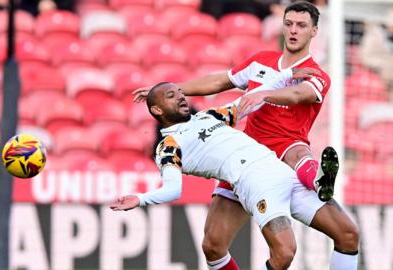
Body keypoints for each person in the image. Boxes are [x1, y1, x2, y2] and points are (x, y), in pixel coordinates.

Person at [132, 2, 359, 269]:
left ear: (314, 31)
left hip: (287, 157)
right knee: (212, 244)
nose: (294, 31)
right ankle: (317, 179)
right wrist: (168, 90)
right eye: (289, 24)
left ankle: (318, 180)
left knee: (347, 234)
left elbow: (300, 94)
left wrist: (265, 93)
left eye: (302, 25)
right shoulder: (260, 61)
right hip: (243, 159)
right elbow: (220, 81)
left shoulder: (316, 74)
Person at [111, 82, 357, 270]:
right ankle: (313, 175)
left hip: (281, 170)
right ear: (156, 109)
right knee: (284, 253)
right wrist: (141, 199)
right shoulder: (169, 146)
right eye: (171, 95)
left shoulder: (210, 116)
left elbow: (250, 101)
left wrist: (289, 76)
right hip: (255, 182)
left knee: (348, 234)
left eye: (180, 92)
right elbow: (173, 189)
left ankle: (314, 178)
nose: (181, 96)